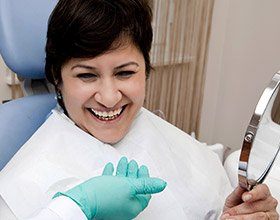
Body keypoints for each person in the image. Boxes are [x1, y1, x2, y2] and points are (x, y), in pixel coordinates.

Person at [0, 0, 278, 219]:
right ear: (57, 79)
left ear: (145, 71)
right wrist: (77, 210)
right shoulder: (21, 185)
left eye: (124, 73)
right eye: (86, 75)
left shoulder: (161, 131)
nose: (109, 98)